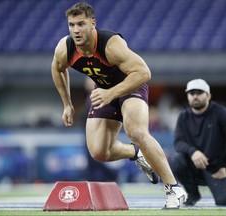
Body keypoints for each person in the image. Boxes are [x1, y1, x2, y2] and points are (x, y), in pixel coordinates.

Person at [51, 2, 187, 209]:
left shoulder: (110, 45)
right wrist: (67, 104)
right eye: (71, 25)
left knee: (136, 132)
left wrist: (111, 93)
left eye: (81, 24)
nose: (76, 30)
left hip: (130, 85)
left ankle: (174, 188)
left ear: (93, 24)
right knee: (98, 152)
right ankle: (134, 153)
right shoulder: (65, 48)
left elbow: (144, 73)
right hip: (104, 90)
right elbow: (57, 69)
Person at [171, 79, 226, 206]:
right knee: (177, 161)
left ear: (208, 95)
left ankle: (219, 187)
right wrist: (193, 152)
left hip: (217, 170)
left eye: (199, 92)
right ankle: (193, 193)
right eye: (191, 93)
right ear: (187, 96)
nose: (195, 96)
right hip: (195, 169)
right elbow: (178, 142)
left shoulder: (221, 113)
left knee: (225, 200)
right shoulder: (184, 117)